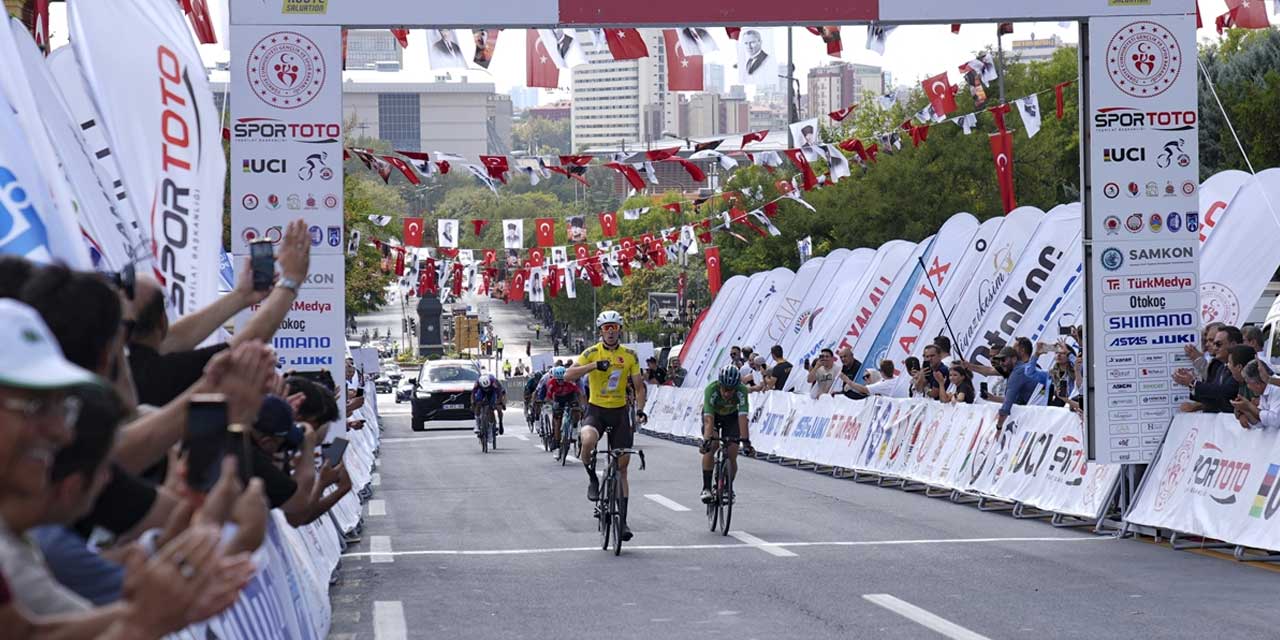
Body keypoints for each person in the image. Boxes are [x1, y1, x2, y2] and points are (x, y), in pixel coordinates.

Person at [564, 311, 646, 541]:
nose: (610, 331)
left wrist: (639, 410)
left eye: (614, 327)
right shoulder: (591, 352)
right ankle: (592, 477)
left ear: (620, 329)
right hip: (596, 410)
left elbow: (639, 387)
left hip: (620, 413)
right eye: (606, 328)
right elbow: (569, 375)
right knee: (588, 441)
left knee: (622, 468)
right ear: (600, 331)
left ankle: (624, 522)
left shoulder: (629, 355)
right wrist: (591, 367)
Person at [699, 365, 754, 504]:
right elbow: (708, 420)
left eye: (731, 390)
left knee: (732, 453)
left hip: (732, 418)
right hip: (714, 417)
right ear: (719, 384)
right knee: (713, 445)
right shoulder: (711, 390)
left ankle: (727, 487)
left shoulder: (742, 391)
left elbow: (742, 418)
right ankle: (706, 488)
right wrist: (706, 440)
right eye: (724, 389)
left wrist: (746, 442)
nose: (727, 393)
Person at [1173, 325, 1241, 413]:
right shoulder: (1221, 367)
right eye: (1213, 343)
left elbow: (1226, 392)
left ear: (1233, 345)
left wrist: (1193, 383)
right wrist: (1191, 384)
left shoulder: (1241, 365)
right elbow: (1213, 398)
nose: (1214, 347)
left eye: (1218, 344)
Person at [995, 339, 1050, 436]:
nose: (1001, 363)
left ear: (1014, 359)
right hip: (1044, 414)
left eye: (1003, 360)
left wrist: (999, 428)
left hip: (1040, 418)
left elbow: (1006, 406)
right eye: (999, 360)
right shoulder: (1023, 368)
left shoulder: (1017, 373)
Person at [544, 366, 585, 461]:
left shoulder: (570, 382)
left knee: (576, 410)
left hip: (570, 396)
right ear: (555, 378)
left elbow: (579, 394)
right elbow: (548, 397)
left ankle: (574, 428)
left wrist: (581, 405)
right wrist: (552, 404)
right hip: (558, 399)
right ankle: (557, 444)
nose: (561, 382)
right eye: (558, 380)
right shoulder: (551, 383)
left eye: (562, 380)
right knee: (557, 421)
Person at [1234, 360, 1280, 430]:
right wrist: (1245, 409)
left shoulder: (1276, 388)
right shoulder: (1264, 391)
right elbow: (1260, 423)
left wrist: (1249, 406)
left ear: (1257, 383)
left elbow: (1275, 420)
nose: (1248, 387)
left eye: (1248, 383)